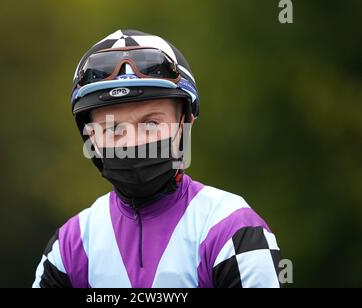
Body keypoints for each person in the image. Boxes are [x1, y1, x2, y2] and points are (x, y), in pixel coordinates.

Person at [33, 29, 282, 288]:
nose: (132, 142)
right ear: (91, 137)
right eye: (113, 128)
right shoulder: (68, 248)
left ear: (186, 122)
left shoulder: (233, 231)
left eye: (151, 124)